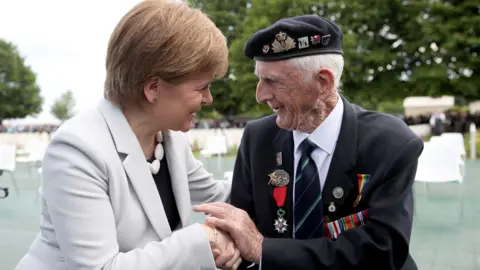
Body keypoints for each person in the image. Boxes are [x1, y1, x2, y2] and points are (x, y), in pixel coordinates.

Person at [15, 1, 241, 269]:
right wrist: (203, 238)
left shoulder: (170, 140)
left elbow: (218, 196)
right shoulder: (77, 149)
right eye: (201, 87)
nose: (209, 99)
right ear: (153, 87)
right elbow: (100, 267)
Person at [194, 14, 424, 269]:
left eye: (272, 81)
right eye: (260, 79)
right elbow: (242, 222)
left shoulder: (390, 144)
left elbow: (384, 250)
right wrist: (228, 243)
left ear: (323, 83)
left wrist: (263, 249)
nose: (260, 95)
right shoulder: (258, 138)